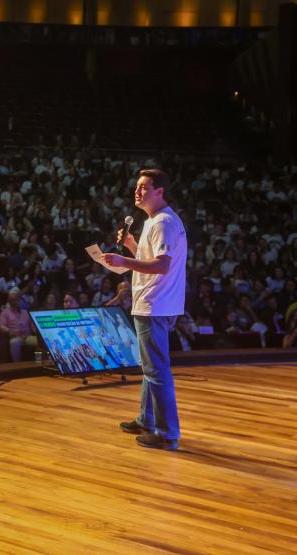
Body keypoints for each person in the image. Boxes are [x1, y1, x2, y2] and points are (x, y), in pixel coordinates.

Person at [103, 169, 186, 450]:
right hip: (153, 302)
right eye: (137, 187)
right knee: (150, 367)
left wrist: (123, 261)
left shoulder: (163, 222)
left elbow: (162, 266)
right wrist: (131, 246)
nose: (137, 191)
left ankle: (166, 433)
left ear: (160, 191)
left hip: (155, 303)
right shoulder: (154, 221)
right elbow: (151, 259)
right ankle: (146, 419)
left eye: (144, 187)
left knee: (156, 370)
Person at [0, 289, 36, 362]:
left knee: (41, 342)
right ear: (9, 302)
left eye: (16, 300)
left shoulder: (25, 312)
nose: (15, 302)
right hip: (16, 337)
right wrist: (8, 330)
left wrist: (38, 332)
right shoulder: (5, 313)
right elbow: (1, 325)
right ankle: (17, 364)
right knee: (14, 343)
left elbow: (32, 326)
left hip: (28, 336)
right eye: (12, 300)